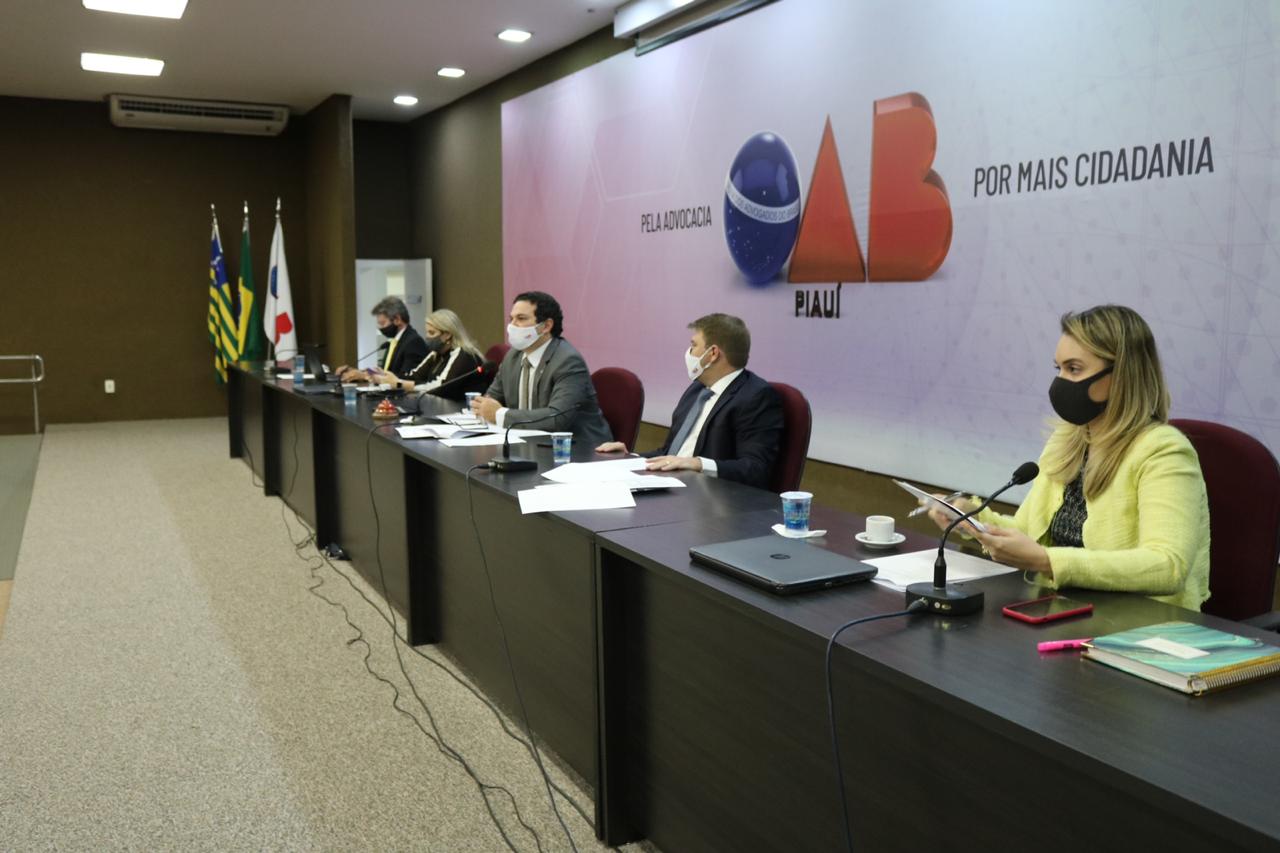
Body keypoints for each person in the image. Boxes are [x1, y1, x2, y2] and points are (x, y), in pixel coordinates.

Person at [925, 304, 1210, 611]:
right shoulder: (1069, 440)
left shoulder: (1164, 452)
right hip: (1060, 610)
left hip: (1138, 624)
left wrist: (1047, 561)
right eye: (1058, 369)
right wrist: (973, 519)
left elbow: (1168, 566)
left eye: (1074, 369)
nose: (1060, 382)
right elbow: (1028, 533)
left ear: (1121, 376)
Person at [597, 313, 783, 490]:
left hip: (712, 498)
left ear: (713, 353)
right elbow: (670, 454)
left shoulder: (756, 396)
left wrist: (698, 464)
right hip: (671, 484)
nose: (689, 352)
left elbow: (755, 469)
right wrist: (629, 457)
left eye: (693, 345)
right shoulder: (697, 389)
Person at [470, 291, 613, 445]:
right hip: (529, 443)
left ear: (546, 326)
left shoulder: (568, 361)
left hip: (578, 448)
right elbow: (490, 400)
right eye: (511, 319)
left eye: (521, 318)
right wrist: (484, 407)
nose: (511, 326)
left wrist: (500, 414)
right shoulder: (513, 357)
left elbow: (557, 418)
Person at [365, 308, 486, 398]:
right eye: (427, 332)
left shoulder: (463, 354)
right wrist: (385, 377)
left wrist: (400, 384)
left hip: (461, 411)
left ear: (447, 334)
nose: (427, 337)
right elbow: (414, 376)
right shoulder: (436, 353)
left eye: (432, 333)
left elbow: (441, 387)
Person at [335, 296, 428, 383]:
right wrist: (359, 372)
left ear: (397, 319)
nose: (380, 328)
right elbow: (385, 372)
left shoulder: (413, 342)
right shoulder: (394, 341)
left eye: (383, 323)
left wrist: (365, 376)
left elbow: (406, 379)